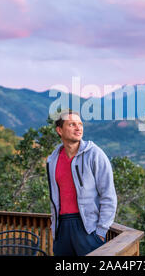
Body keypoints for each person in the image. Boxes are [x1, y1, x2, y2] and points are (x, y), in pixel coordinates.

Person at [46, 109, 117, 256]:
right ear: (59, 130)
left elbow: (108, 195)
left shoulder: (95, 154)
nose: (78, 128)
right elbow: (54, 196)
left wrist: (101, 232)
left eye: (80, 124)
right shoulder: (52, 160)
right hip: (62, 227)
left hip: (87, 228)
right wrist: (55, 230)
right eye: (72, 124)